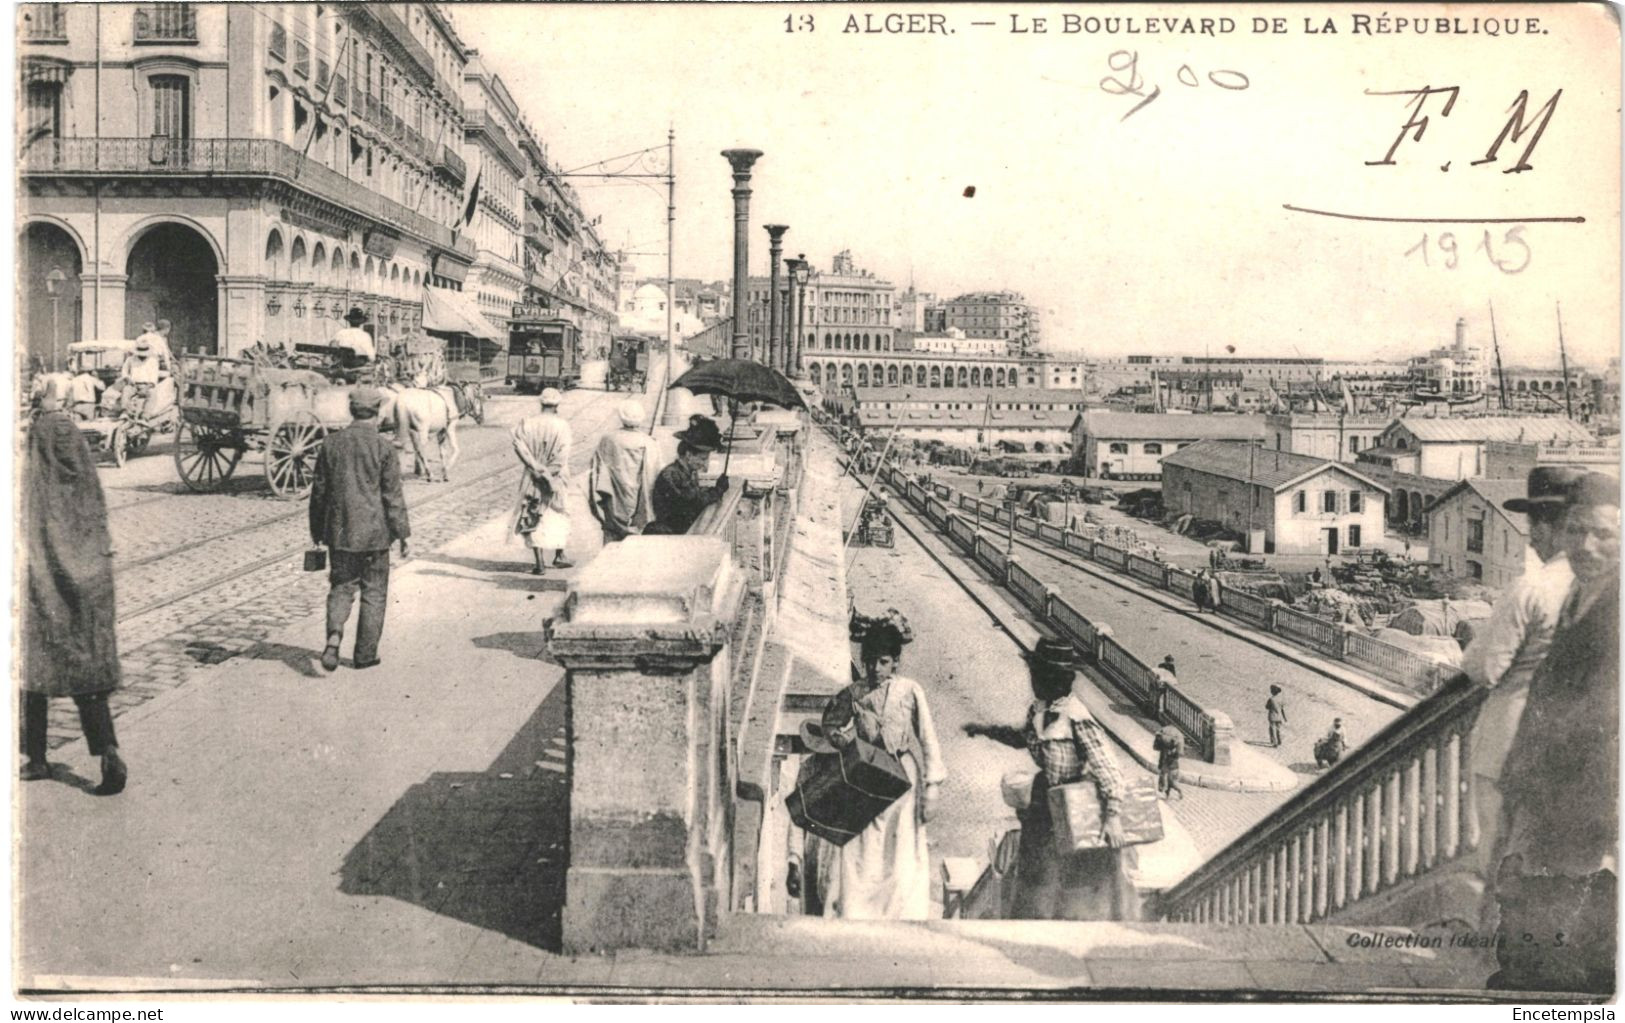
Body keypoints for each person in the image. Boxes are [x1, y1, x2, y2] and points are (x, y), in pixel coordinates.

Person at [1486, 472, 1619, 994]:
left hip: (1583, 805)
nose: (1585, 545)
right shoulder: (1579, 595)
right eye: (1576, 530)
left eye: (1603, 534)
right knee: (1528, 922)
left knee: (1564, 936)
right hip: (1544, 793)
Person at [1462, 467, 1581, 858]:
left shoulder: (1531, 588)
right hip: (1570, 740)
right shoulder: (1600, 587)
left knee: (1499, 849)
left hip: (1509, 739)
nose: (1531, 537)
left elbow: (1484, 669)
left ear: (1549, 526)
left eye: (1534, 525)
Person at [20, 376, 128, 795]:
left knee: (30, 671)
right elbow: (90, 500)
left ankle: (37, 757)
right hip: (83, 569)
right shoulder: (72, 444)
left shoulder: (42, 433)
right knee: (86, 674)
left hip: (42, 572)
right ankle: (107, 752)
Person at [817, 622, 946, 920]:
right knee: (863, 847)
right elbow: (830, 723)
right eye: (870, 661)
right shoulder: (854, 693)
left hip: (903, 777)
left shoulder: (910, 691)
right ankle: (858, 911)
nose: (876, 668)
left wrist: (933, 787)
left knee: (900, 848)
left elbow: (927, 738)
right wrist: (847, 742)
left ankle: (900, 913)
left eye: (884, 662)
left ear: (896, 662)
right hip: (865, 776)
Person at [1012, 637, 1139, 921]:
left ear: (1056, 679)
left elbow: (1108, 768)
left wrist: (1114, 815)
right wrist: (987, 730)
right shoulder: (1039, 710)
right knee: (1036, 882)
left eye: (1038, 675)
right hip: (1045, 806)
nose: (1033, 681)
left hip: (1074, 807)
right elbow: (1026, 738)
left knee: (1068, 887)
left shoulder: (1076, 716)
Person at [309, 386, 411, 672]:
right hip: (376, 535)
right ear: (377, 413)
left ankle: (333, 636)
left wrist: (317, 532)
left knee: (341, 587)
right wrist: (402, 534)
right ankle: (365, 655)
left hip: (340, 533)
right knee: (374, 593)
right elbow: (392, 496)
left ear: (351, 411)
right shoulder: (384, 448)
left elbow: (319, 494)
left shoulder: (331, 444)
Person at [511, 388, 574, 574]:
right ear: (557, 405)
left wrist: (537, 469)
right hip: (556, 477)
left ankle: (539, 563)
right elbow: (562, 457)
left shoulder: (527, 423)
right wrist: (548, 473)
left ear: (541, 403)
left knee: (533, 513)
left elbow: (518, 446)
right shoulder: (562, 426)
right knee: (558, 513)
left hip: (532, 475)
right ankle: (559, 555)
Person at [586, 398, 659, 543]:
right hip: (639, 501)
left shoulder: (608, 439)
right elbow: (655, 474)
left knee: (611, 540)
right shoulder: (649, 442)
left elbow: (597, 473)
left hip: (614, 502)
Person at [647, 416, 729, 535]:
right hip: (671, 532)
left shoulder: (690, 473)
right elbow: (692, 502)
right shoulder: (671, 474)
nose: (704, 464)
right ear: (689, 455)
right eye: (702, 459)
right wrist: (717, 490)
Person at [1153, 723, 1184, 801]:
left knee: (1171, 781)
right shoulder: (1173, 745)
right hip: (1172, 764)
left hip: (1171, 765)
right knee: (1169, 781)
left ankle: (1179, 791)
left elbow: (1157, 749)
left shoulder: (1166, 747)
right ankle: (1167, 795)